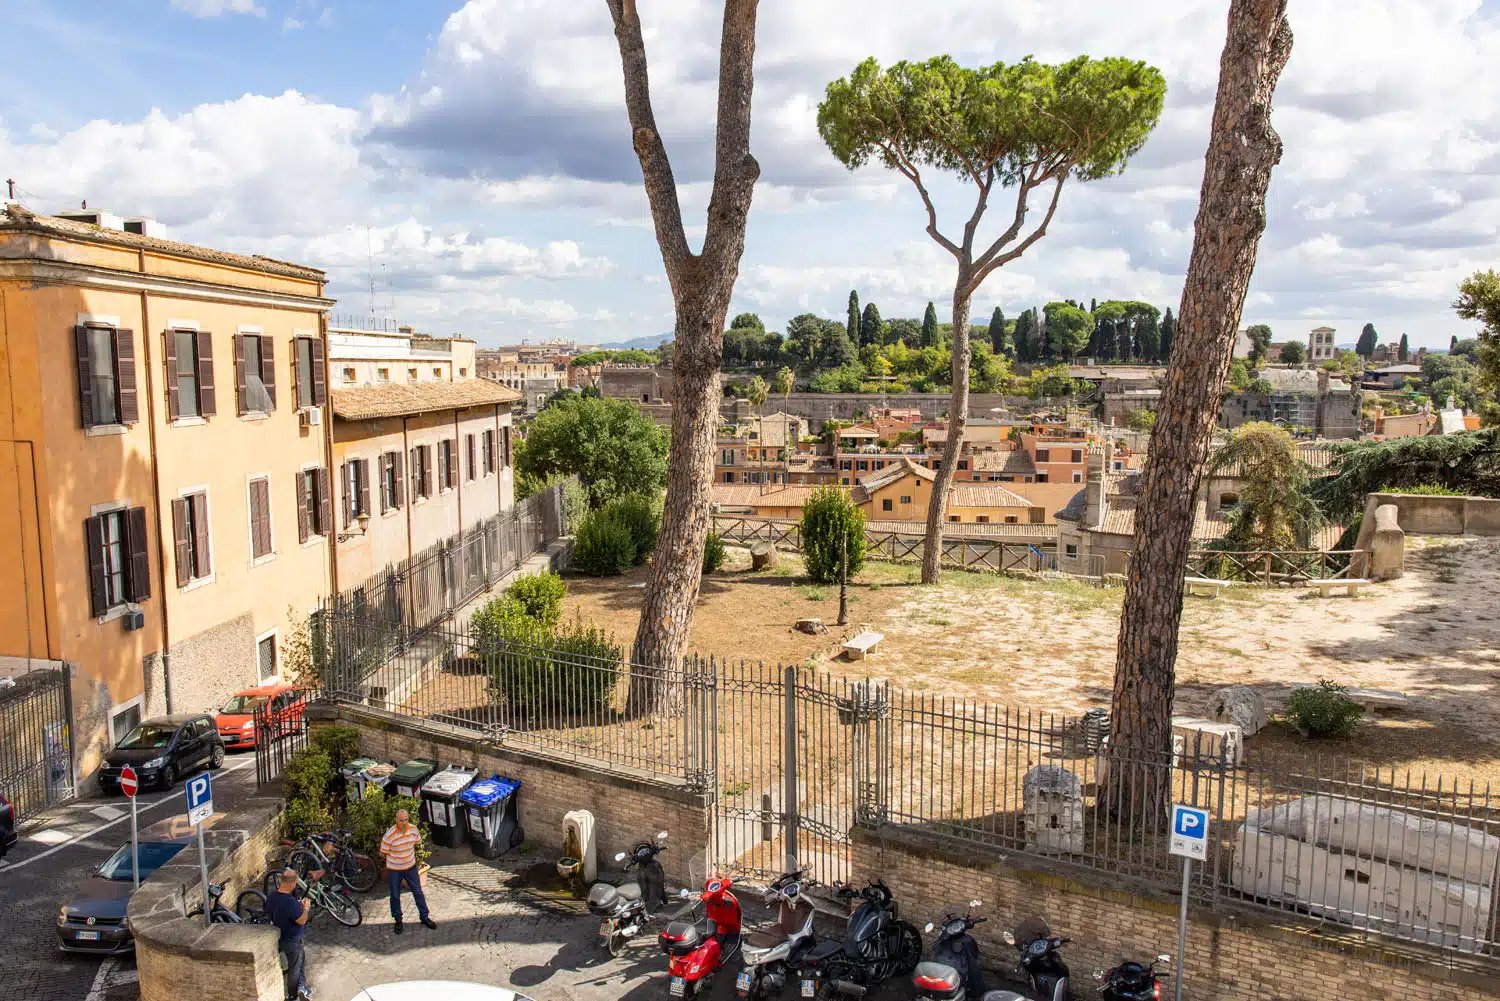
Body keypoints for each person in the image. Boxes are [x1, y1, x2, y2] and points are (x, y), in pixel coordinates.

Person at [380, 808, 436, 934]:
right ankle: (398, 920)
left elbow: (417, 843)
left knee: (418, 892)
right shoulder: (389, 835)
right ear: (396, 820)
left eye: (406, 820)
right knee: (395, 894)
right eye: (401, 820)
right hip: (395, 869)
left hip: (410, 867)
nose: (404, 823)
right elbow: (382, 853)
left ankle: (424, 917)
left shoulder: (413, 830)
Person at [265, 868, 312, 1001]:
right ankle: (293, 994)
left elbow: (268, 910)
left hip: (279, 936)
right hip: (293, 939)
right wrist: (306, 908)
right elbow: (302, 920)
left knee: (300, 962)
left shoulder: (272, 896)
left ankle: (302, 987)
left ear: (281, 881)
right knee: (295, 967)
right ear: (293, 884)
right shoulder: (290, 902)